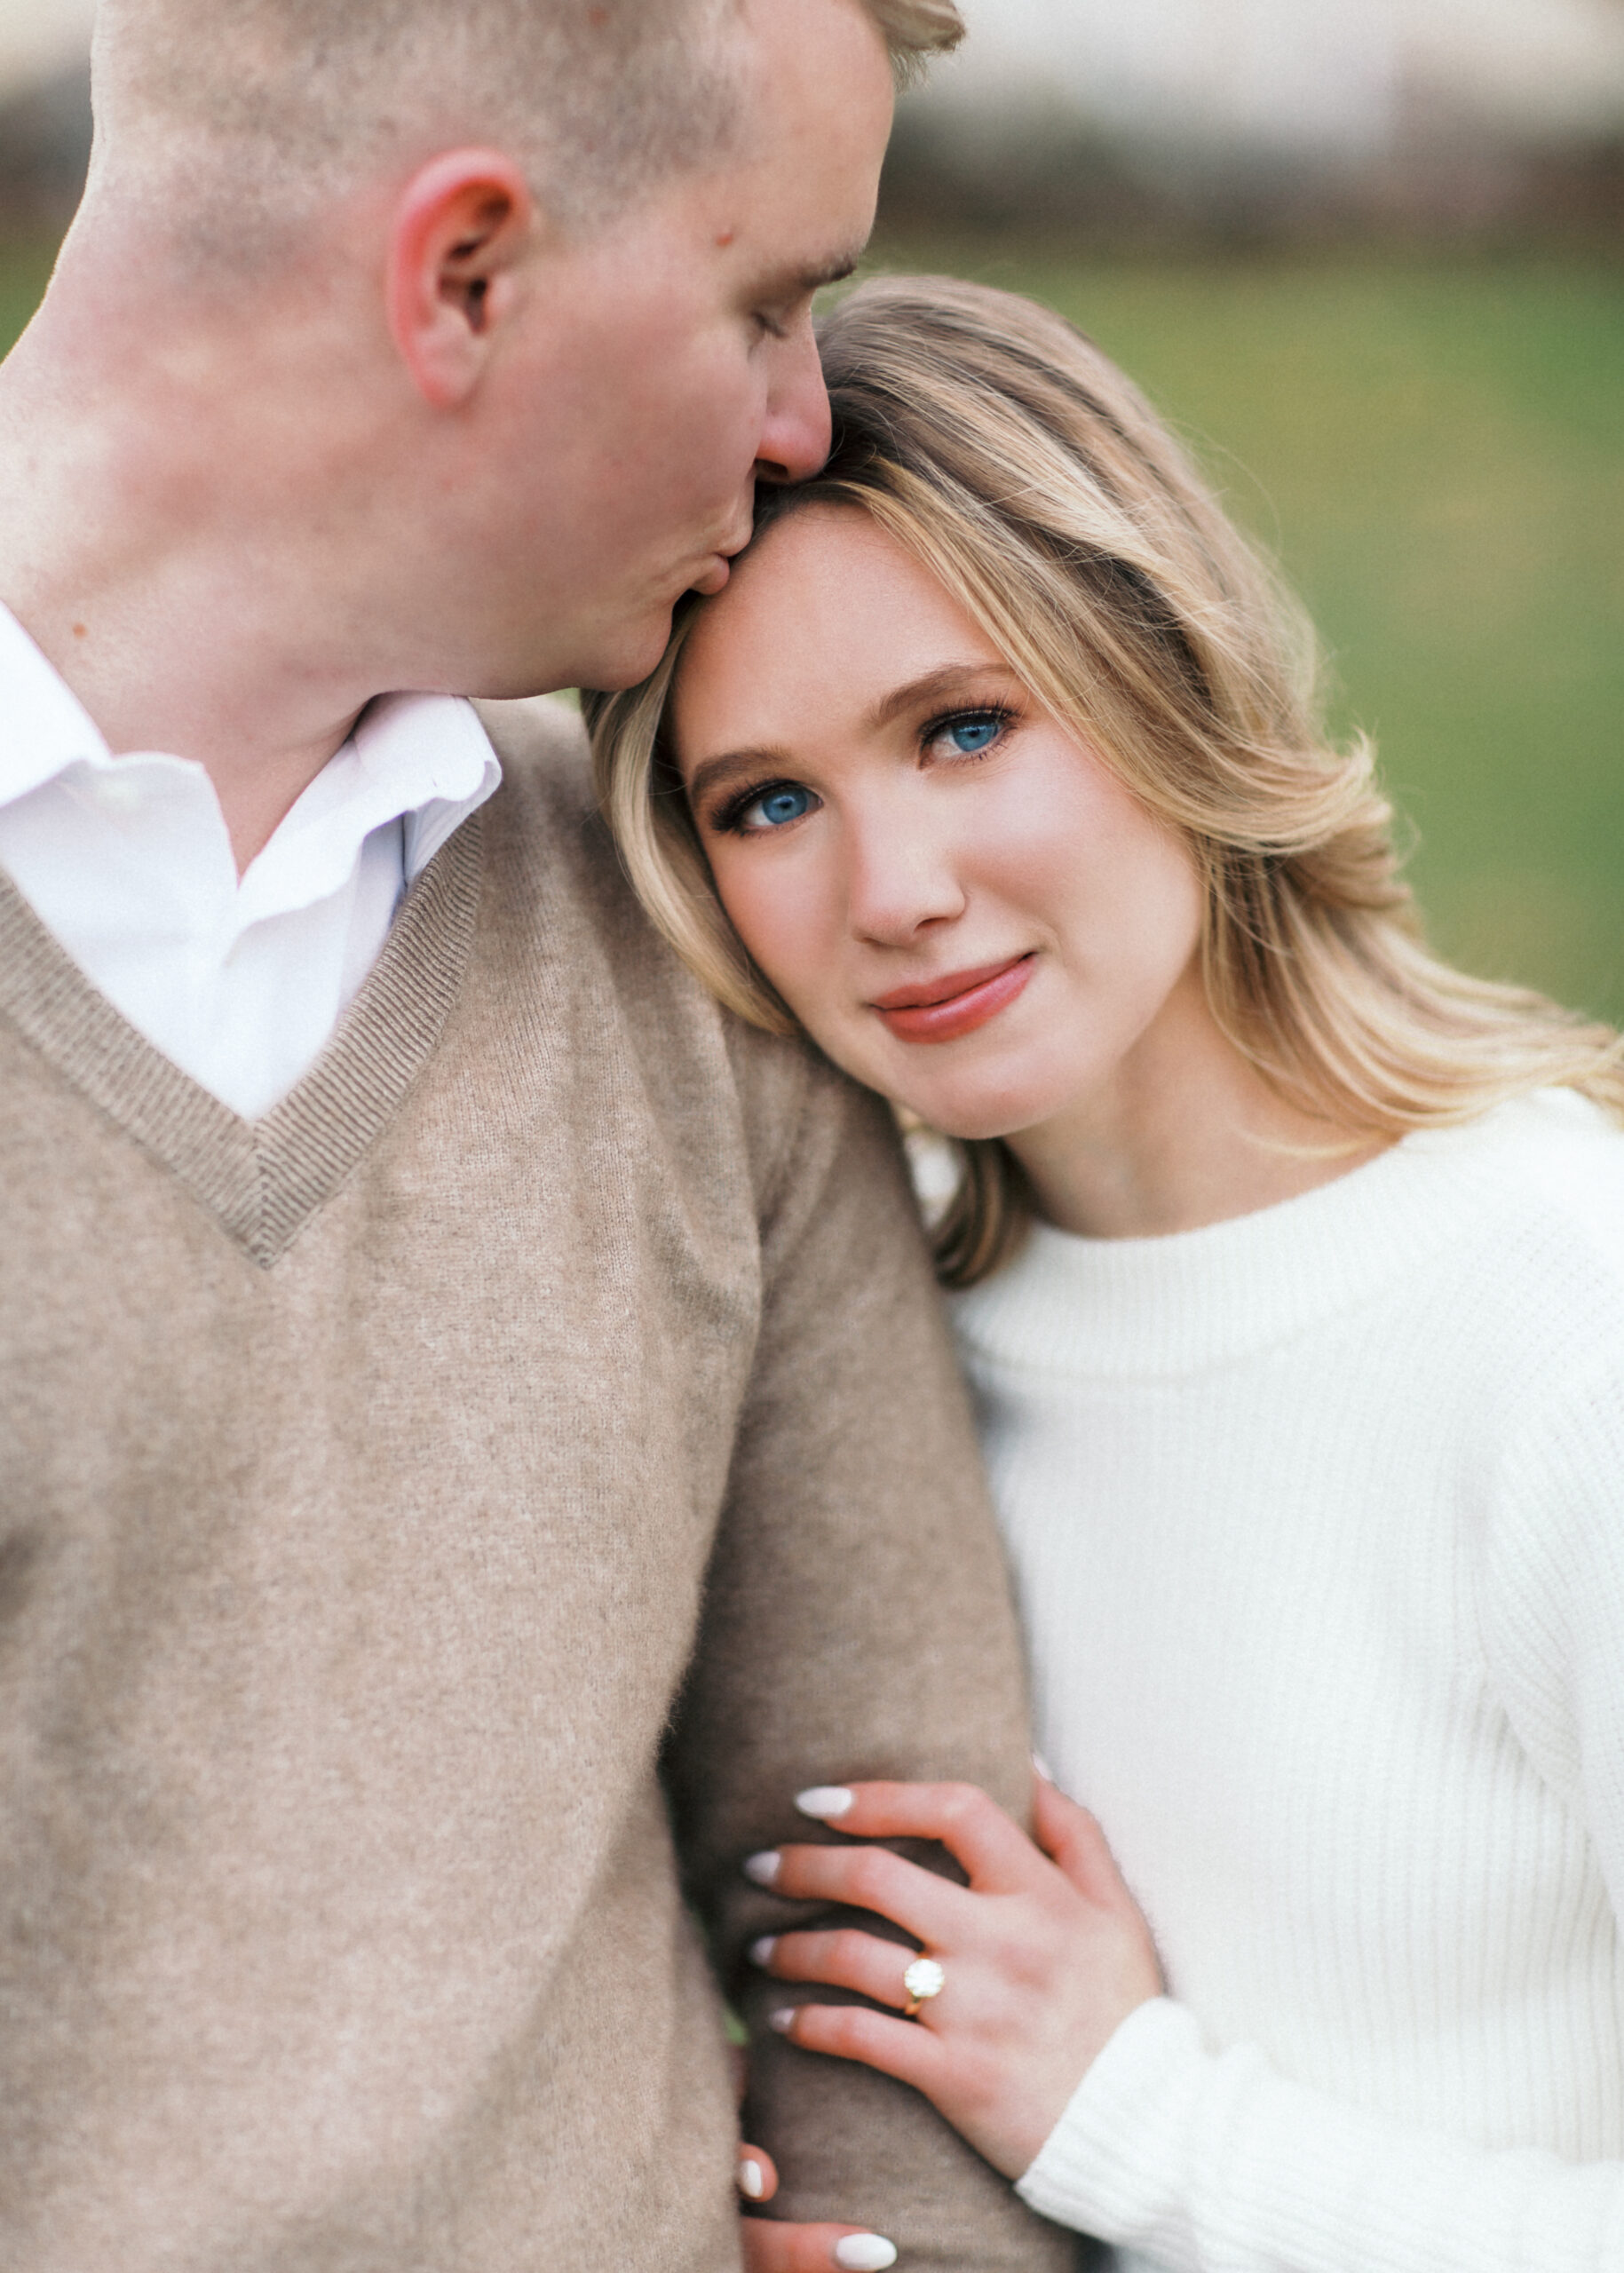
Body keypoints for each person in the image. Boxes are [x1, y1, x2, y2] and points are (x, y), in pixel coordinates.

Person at [0, 10, 1080, 2268]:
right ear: (465, 276)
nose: (802, 425)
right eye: (767, 303)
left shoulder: (685, 917)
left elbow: (895, 1876)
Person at [590, 272, 1624, 2273]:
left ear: (1166, 676)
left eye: (964, 726)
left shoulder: (1561, 1321)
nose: (895, 891)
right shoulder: (874, 1357)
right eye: (770, 801)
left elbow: (1100, 2113)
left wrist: (1130, 2121)